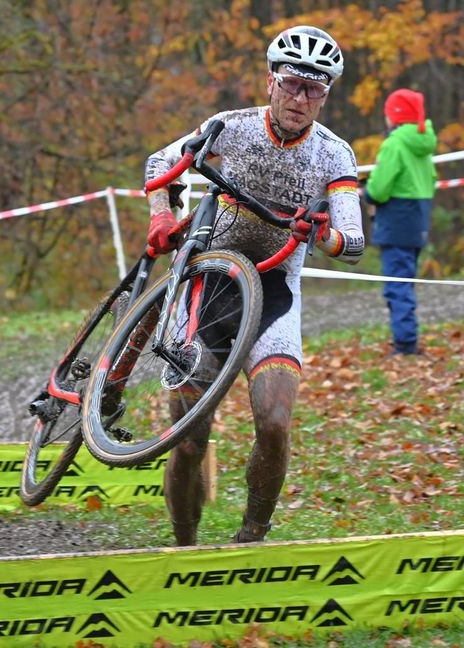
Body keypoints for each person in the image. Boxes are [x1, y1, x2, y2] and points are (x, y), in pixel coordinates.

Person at [143, 25, 365, 546]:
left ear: (326, 95)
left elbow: (353, 242)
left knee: (274, 422)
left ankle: (252, 539)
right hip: (209, 289)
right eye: (291, 84)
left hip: (274, 297)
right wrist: (161, 214)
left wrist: (325, 235)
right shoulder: (231, 126)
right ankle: (183, 545)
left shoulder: (335, 154)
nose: (300, 98)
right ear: (270, 81)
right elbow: (162, 163)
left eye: (314, 89)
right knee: (191, 439)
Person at [363, 89, 438, 356]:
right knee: (405, 281)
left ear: (394, 117)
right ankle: (406, 337)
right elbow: (431, 179)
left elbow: (381, 188)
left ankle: (406, 344)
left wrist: (367, 192)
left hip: (396, 220)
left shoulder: (395, 144)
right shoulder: (423, 143)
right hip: (418, 219)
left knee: (397, 284)